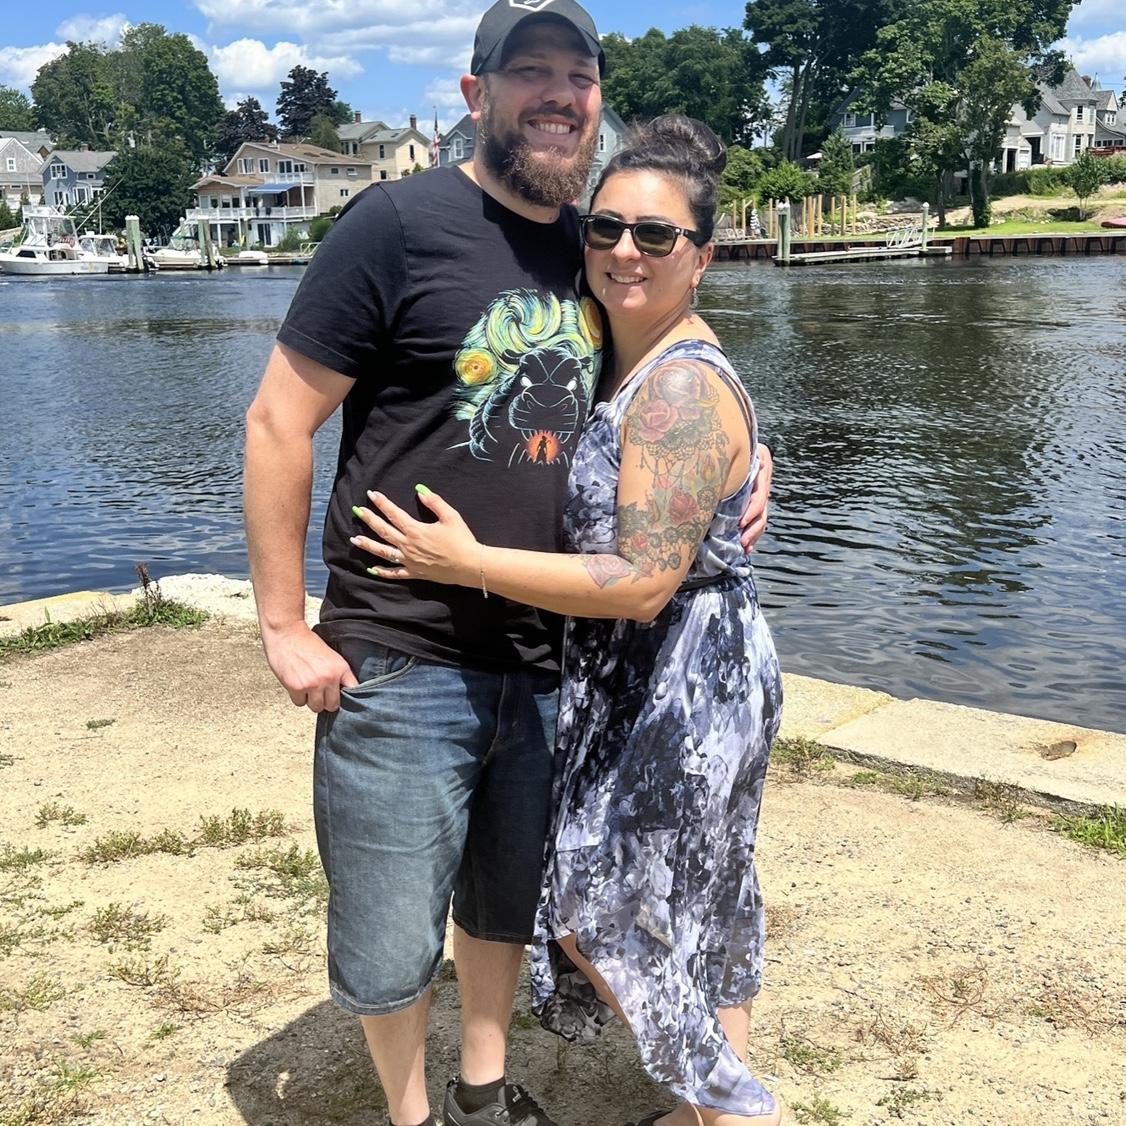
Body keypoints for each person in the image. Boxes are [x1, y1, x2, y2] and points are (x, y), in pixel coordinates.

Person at [243, 3, 770, 1124]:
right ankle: (413, 1115)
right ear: (477, 94)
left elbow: (668, 367)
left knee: (505, 903)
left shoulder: (595, 242)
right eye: (529, 70)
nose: (557, 94)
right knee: (390, 927)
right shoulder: (394, 224)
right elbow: (278, 420)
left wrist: (746, 466)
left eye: (578, 74)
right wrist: (283, 624)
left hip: (549, 656)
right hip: (402, 648)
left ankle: (482, 1093)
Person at [353, 116, 782, 1125]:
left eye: (657, 235)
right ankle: (707, 1107)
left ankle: (735, 1112)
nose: (626, 249)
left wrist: (466, 562)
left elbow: (640, 582)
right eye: (606, 228)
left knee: (606, 914)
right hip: (669, 671)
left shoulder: (676, 383)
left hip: (680, 683)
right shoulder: (626, 353)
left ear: (701, 258)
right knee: (700, 895)